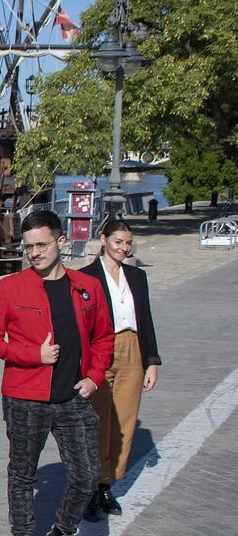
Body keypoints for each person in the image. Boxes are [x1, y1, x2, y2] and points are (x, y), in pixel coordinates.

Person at [0, 211, 114, 536]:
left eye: (41, 244)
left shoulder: (88, 287)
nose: (34, 252)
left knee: (87, 475)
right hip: (25, 398)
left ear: (62, 243)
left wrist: (94, 378)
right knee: (23, 475)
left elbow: (104, 337)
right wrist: (31, 355)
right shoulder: (10, 288)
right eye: (28, 247)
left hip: (73, 397)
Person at [79, 220, 161, 520]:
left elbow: (146, 318)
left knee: (125, 421)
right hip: (100, 350)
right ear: (104, 240)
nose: (123, 248)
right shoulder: (86, 276)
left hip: (132, 348)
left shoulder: (137, 276)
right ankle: (89, 486)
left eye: (128, 243)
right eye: (117, 242)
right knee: (98, 420)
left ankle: (105, 485)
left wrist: (151, 361)